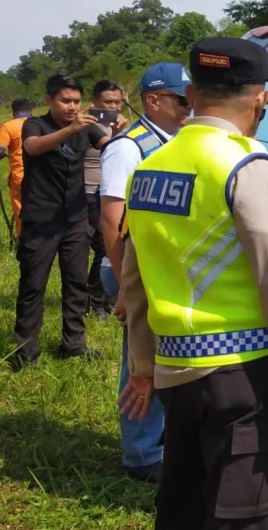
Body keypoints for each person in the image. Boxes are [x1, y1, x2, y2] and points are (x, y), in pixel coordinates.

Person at [118, 38, 268, 529]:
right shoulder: (245, 166)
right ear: (260, 96)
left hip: (176, 371)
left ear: (191, 92)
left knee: (184, 505)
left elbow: (136, 280)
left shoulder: (151, 167)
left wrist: (143, 365)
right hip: (241, 377)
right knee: (243, 516)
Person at [98, 62, 190, 482]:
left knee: (161, 357)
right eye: (183, 99)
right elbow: (110, 218)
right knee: (139, 362)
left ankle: (159, 440)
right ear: (153, 100)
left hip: (161, 272)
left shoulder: (175, 142)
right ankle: (140, 456)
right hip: (133, 273)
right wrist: (123, 286)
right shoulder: (129, 147)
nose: (192, 106)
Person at [8, 73, 124, 371]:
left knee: (76, 283)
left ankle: (74, 343)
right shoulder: (35, 125)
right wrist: (71, 129)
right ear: (49, 100)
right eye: (65, 101)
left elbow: (108, 146)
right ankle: (26, 351)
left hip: (75, 219)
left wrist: (119, 132)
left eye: (76, 101)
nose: (72, 107)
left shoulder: (85, 128)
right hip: (41, 219)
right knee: (33, 285)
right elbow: (33, 147)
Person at [85, 80, 127, 319]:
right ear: (95, 103)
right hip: (88, 190)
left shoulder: (117, 124)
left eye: (117, 102)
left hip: (110, 191)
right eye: (107, 102)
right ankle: (97, 302)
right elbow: (109, 148)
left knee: (108, 246)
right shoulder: (86, 123)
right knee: (103, 248)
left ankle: (105, 299)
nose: (113, 106)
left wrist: (121, 131)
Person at [0, 98, 33, 236]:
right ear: (31, 112)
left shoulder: (9, 126)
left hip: (20, 175)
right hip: (42, 175)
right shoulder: (39, 124)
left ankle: (24, 240)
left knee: (21, 209)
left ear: (14, 112)